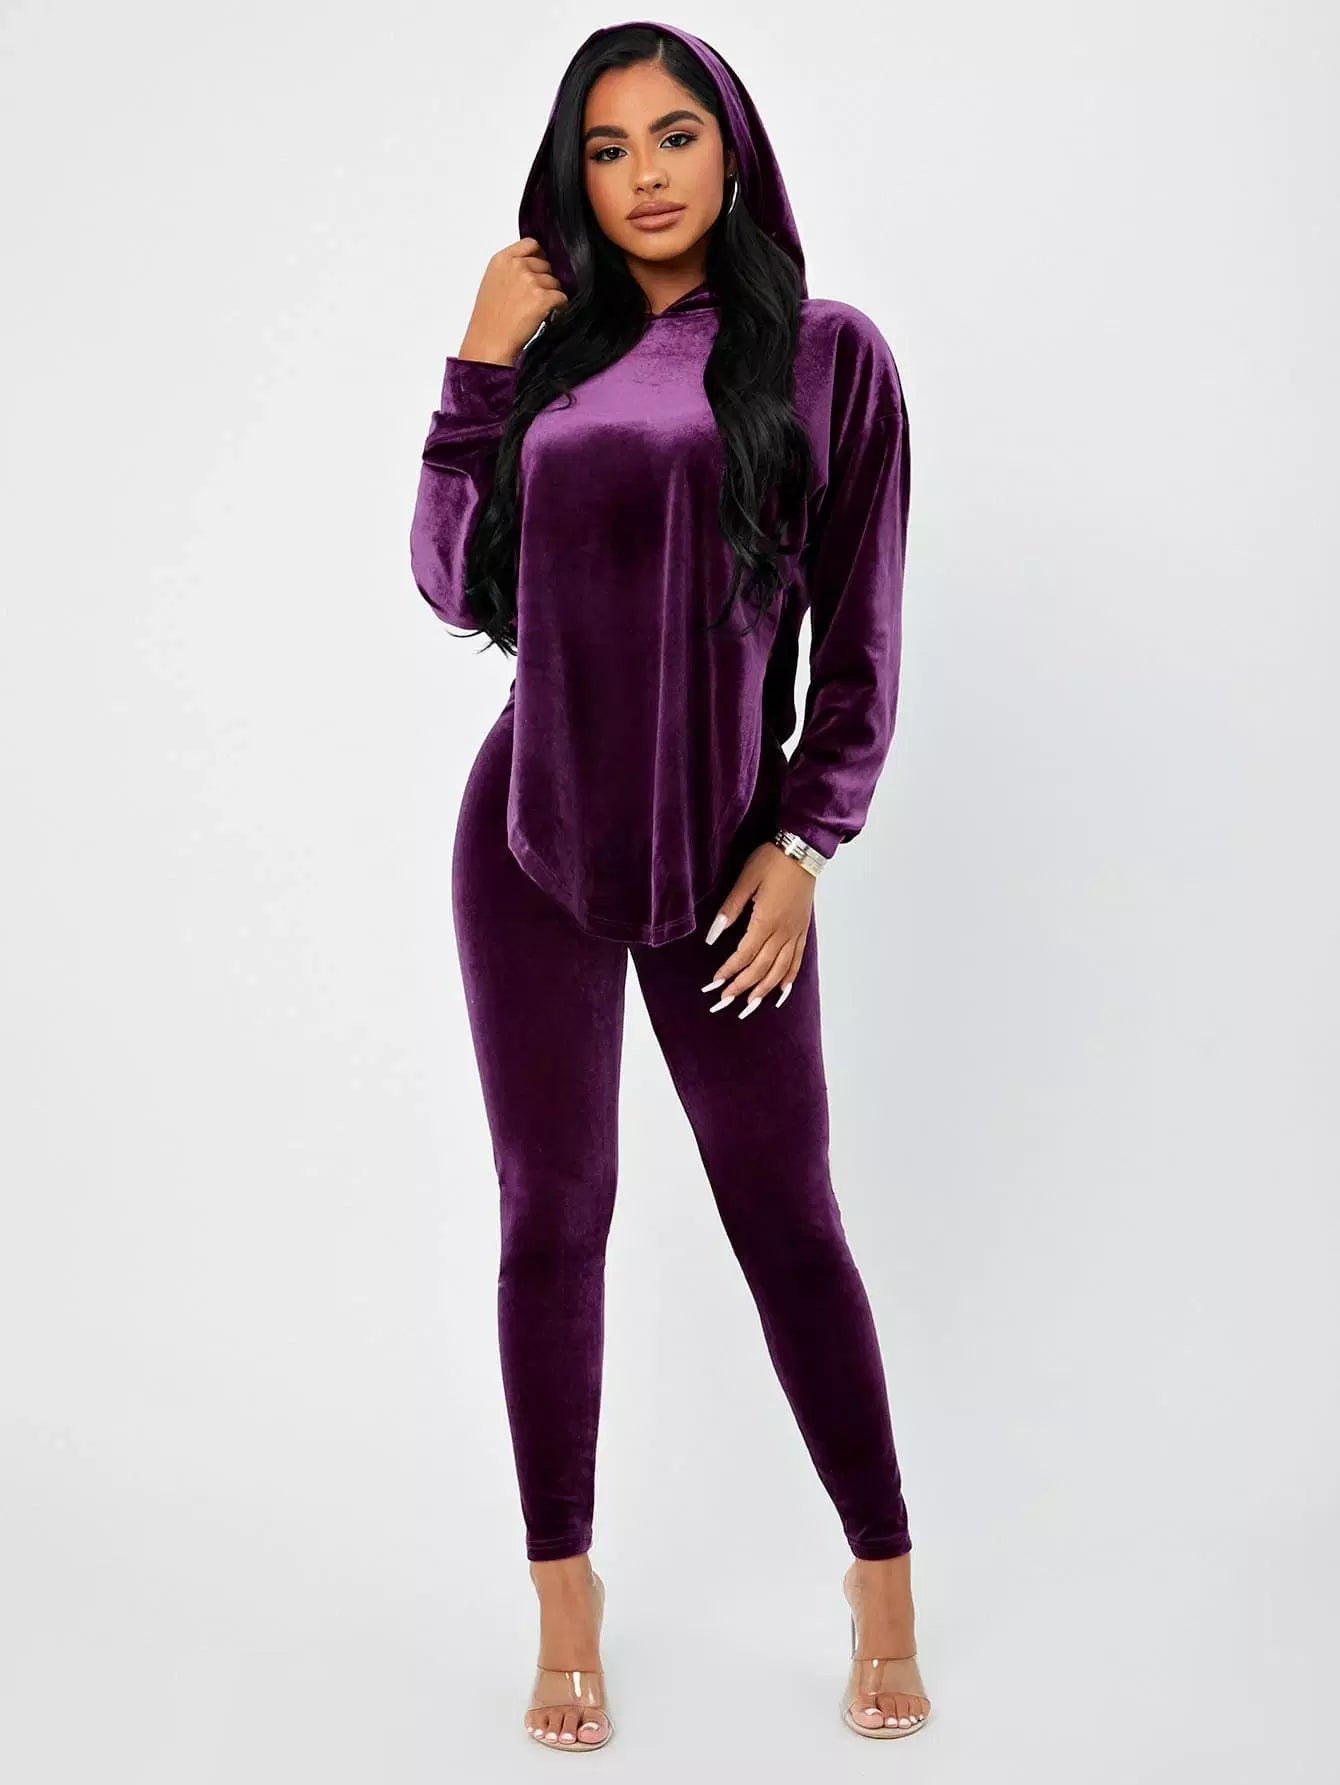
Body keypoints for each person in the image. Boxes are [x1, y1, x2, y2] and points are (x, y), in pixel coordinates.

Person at [409, 18, 930, 1750]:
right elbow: (450, 588)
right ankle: (565, 1594)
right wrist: (478, 366)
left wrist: (804, 842)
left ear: (733, 147)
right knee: (550, 1216)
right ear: (576, 172)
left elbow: (858, 648)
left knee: (786, 1210)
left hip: (727, 856)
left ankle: (881, 1571)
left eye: (675, 135)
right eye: (610, 146)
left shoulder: (829, 357)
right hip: (531, 833)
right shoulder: (546, 360)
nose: (645, 174)